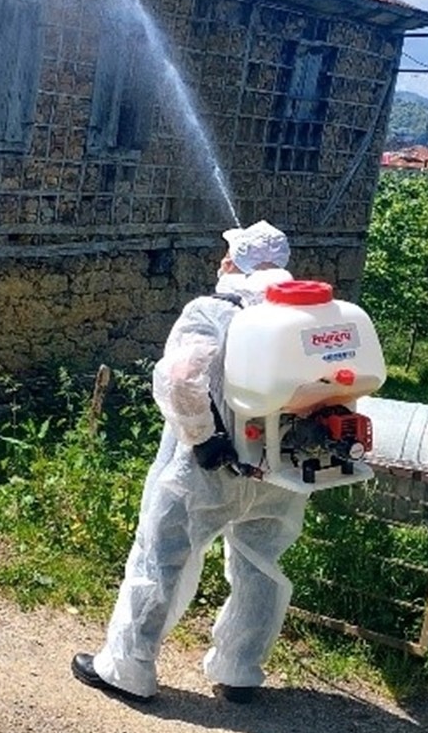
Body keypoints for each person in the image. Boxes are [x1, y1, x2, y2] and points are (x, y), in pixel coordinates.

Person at [72, 220, 305, 705]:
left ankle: (128, 668)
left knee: (162, 556)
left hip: (209, 467)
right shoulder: (303, 315)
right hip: (279, 464)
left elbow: (181, 379)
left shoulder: (213, 310)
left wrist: (204, 439)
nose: (220, 261)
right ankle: (240, 670)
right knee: (260, 564)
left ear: (236, 263)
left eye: (227, 255)